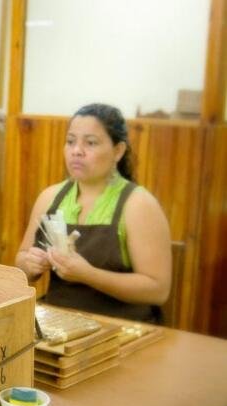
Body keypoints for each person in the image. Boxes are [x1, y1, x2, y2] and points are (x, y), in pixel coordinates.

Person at [15, 103, 171, 322]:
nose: (77, 150)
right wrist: (30, 265)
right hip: (58, 322)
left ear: (118, 151)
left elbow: (158, 290)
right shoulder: (50, 197)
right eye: (70, 141)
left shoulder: (138, 204)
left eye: (91, 143)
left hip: (123, 329)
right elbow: (21, 261)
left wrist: (89, 275)